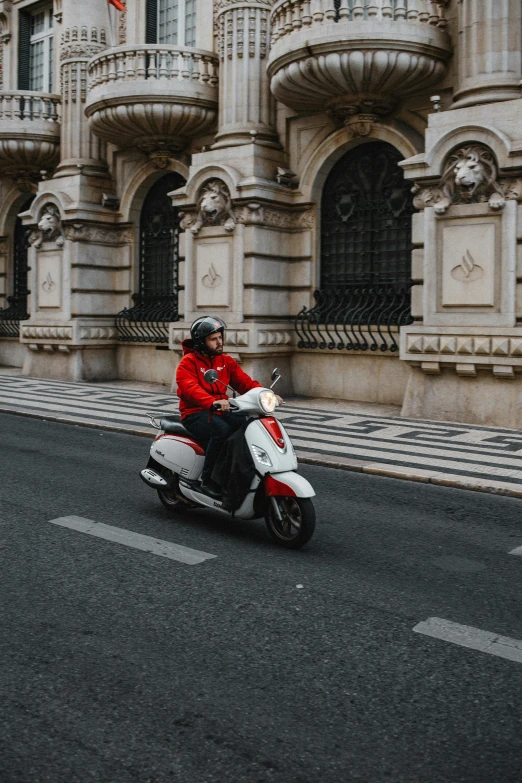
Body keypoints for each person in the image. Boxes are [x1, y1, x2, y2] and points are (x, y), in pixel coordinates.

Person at [176, 317, 282, 499]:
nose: (219, 342)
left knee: (248, 425)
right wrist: (211, 402)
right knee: (221, 430)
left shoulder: (225, 361)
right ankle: (208, 479)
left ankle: (237, 473)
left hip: (220, 409)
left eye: (220, 338)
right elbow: (190, 388)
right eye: (213, 339)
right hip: (195, 413)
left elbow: (246, 383)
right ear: (202, 342)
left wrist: (266, 394)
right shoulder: (188, 363)